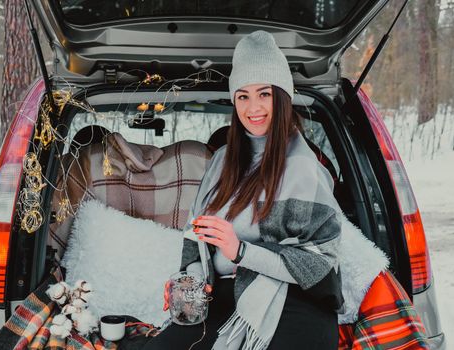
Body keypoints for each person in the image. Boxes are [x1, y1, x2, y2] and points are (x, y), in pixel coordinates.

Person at [143, 30, 344, 350]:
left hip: (294, 301)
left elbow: (320, 263)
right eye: (243, 96)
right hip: (226, 296)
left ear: (283, 96)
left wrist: (241, 251)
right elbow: (196, 239)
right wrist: (191, 283)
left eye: (264, 94)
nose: (254, 107)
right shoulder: (221, 163)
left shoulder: (305, 170)